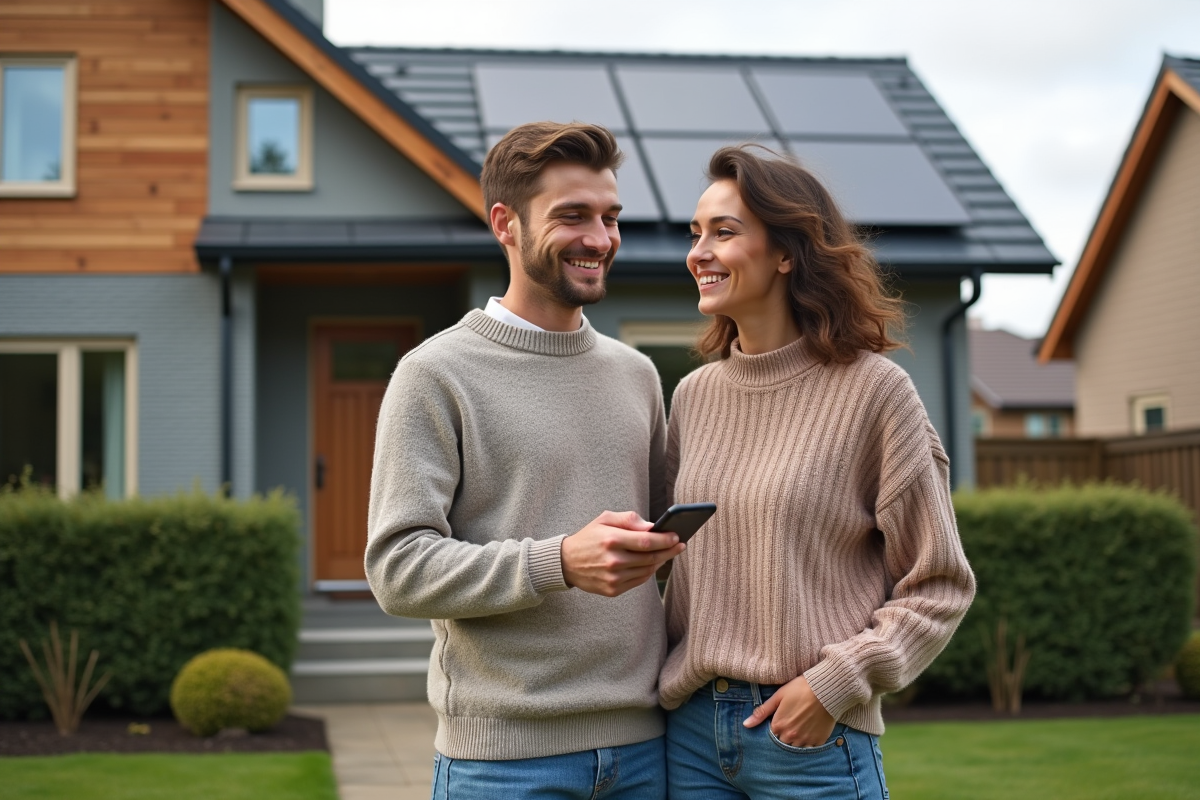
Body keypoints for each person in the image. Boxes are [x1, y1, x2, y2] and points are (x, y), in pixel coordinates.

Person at [365, 121, 684, 799]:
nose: (600, 239)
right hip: (505, 764)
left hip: (646, 750)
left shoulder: (637, 375)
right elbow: (397, 569)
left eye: (610, 217)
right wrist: (559, 562)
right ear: (505, 223)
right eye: (573, 216)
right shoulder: (434, 374)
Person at [660, 145, 976, 799]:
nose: (699, 252)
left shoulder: (875, 392)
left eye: (723, 232)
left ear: (786, 252)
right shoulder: (691, 397)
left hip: (808, 737)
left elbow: (940, 585)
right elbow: (667, 566)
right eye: (696, 234)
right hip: (689, 739)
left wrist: (832, 686)